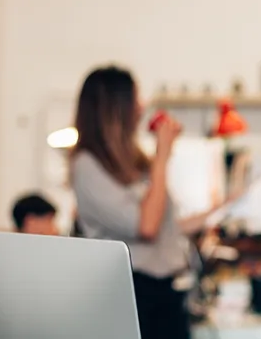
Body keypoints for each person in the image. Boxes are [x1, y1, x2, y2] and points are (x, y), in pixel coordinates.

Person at [69, 65, 236, 339]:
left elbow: (168, 226)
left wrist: (223, 206)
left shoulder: (134, 162)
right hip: (132, 293)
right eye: (135, 99)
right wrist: (162, 158)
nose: (141, 106)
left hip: (165, 292)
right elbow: (147, 226)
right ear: (115, 107)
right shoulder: (87, 166)